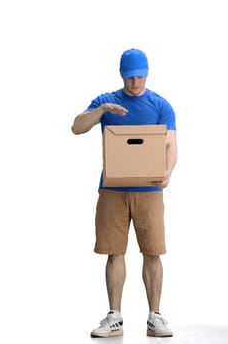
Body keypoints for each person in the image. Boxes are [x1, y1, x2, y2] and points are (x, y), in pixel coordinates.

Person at [71, 48, 177, 338]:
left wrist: (168, 172)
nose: (134, 82)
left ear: (147, 73)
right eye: (130, 77)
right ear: (121, 74)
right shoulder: (106, 101)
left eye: (140, 76)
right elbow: (76, 127)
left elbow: (170, 144)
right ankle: (114, 317)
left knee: (153, 252)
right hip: (112, 190)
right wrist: (102, 111)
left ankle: (155, 316)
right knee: (114, 252)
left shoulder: (160, 105)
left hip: (150, 191)